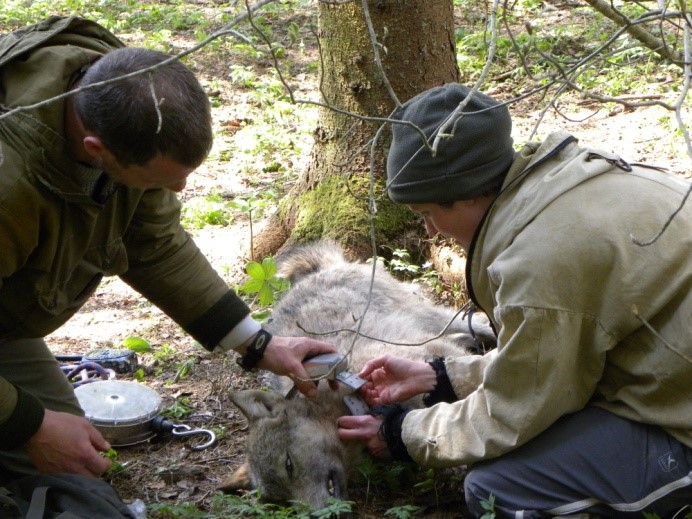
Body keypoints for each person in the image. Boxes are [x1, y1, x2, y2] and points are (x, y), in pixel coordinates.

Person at [0, 16, 335, 485]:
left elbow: (154, 245)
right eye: (164, 179)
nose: (179, 188)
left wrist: (258, 345)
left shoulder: (127, 104)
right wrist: (30, 424)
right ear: (95, 148)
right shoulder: (9, 185)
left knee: (74, 480)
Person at [337, 83, 692, 516]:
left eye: (429, 213)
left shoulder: (540, 262)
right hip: (672, 384)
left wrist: (401, 433)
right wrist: (441, 379)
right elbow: (562, 356)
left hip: (681, 424)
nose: (428, 231)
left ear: (467, 191)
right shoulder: (575, 181)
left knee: (499, 486)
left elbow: (514, 412)